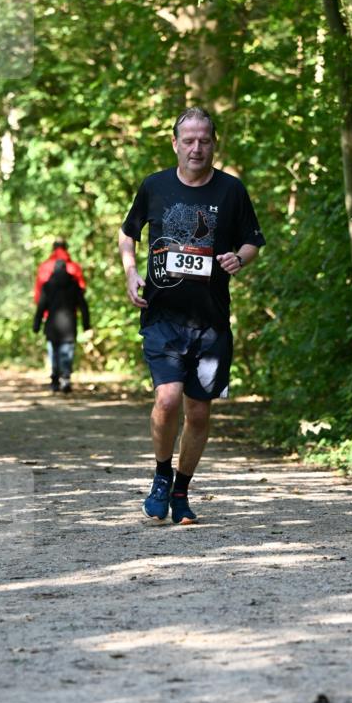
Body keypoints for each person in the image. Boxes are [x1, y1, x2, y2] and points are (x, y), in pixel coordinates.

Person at [119, 107, 265, 524]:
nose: (196, 148)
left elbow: (253, 241)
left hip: (211, 321)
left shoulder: (232, 191)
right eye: (189, 140)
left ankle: (181, 490)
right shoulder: (155, 186)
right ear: (175, 143)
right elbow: (128, 232)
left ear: (214, 143)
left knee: (198, 412)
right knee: (167, 400)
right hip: (162, 316)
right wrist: (131, 273)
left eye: (204, 140)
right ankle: (162, 474)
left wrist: (240, 258)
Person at [33, 238, 90, 393]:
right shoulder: (74, 268)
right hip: (69, 320)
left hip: (50, 319)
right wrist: (86, 324)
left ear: (53, 248)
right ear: (67, 247)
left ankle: (54, 379)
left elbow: (39, 297)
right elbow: (82, 297)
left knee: (53, 350)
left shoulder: (44, 267)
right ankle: (66, 378)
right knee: (67, 350)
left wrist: (37, 322)